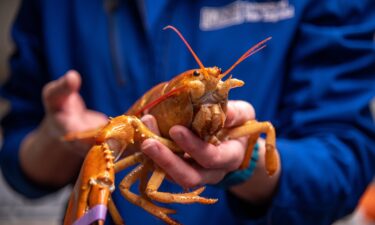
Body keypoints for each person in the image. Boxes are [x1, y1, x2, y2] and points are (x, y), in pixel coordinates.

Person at [0, 0, 374, 225]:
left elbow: (346, 156)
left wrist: (247, 161)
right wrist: (55, 141)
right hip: (120, 156)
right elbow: (17, 154)